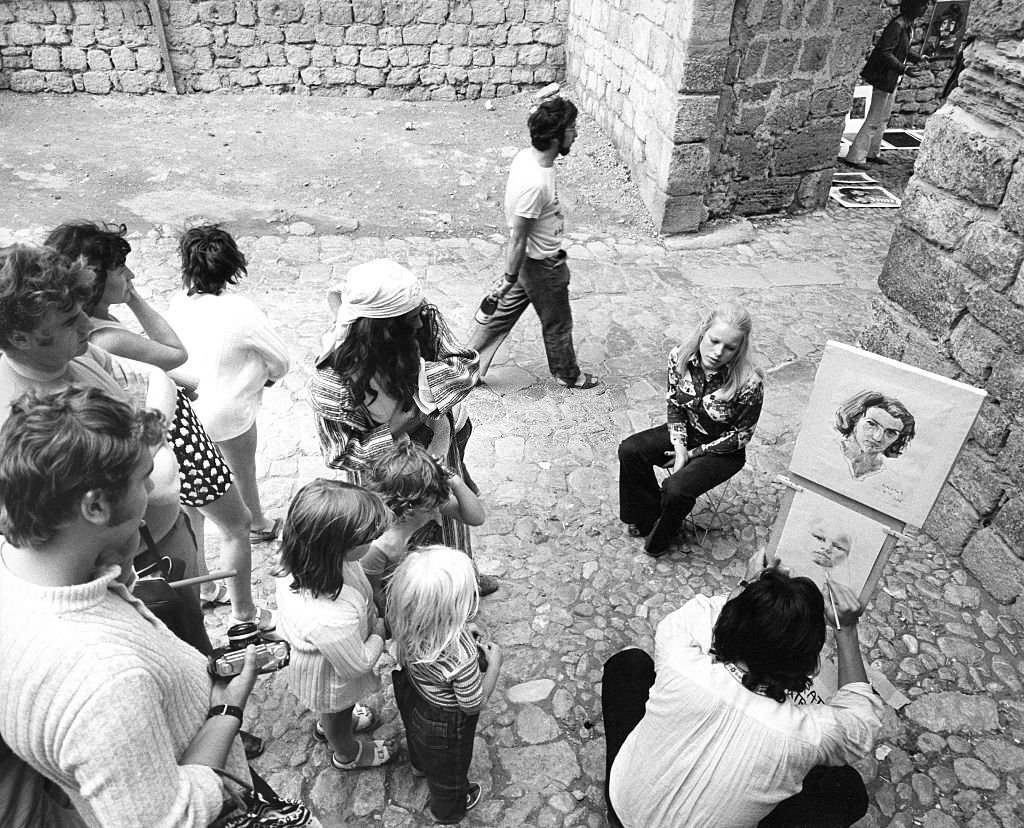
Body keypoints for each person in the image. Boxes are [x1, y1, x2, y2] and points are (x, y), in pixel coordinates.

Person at [0, 386, 259, 827]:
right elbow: (169, 820)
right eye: (144, 479)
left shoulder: (26, 571)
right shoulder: (102, 680)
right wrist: (226, 711)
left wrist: (110, 570)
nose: (153, 490)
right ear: (95, 506)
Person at [44, 221, 269, 629]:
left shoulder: (92, 331)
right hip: (178, 439)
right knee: (236, 526)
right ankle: (245, 615)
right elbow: (174, 352)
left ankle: (206, 589)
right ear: (96, 276)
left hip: (171, 443)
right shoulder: (104, 336)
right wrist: (134, 300)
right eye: (121, 271)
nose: (129, 276)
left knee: (195, 520)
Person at [0, 244, 214, 654]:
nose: (86, 324)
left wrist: (154, 437)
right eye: (67, 320)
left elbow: (151, 375)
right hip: (114, 579)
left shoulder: (78, 355)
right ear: (19, 336)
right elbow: (28, 534)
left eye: (82, 309)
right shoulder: (11, 418)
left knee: (192, 638)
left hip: (157, 541)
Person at [602, 554, 882, 828]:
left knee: (629, 662)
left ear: (731, 626)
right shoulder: (807, 736)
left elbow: (698, 615)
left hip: (623, 808)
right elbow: (862, 719)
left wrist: (748, 584)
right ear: (808, 665)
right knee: (848, 790)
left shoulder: (680, 664)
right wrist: (846, 629)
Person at [309, 258, 497, 595]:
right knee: (393, 542)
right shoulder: (333, 382)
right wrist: (397, 427)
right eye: (411, 321)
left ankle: (462, 579)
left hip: (438, 447)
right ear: (382, 330)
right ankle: (410, 596)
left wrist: (422, 394)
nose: (421, 322)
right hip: (384, 475)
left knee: (451, 522)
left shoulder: (423, 320)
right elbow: (340, 455)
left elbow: (466, 367)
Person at [167, 224, 291, 547]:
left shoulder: (177, 303)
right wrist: (268, 378)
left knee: (192, 494)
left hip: (189, 412)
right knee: (243, 472)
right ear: (231, 268)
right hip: (231, 413)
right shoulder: (241, 311)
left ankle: (200, 570)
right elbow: (281, 360)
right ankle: (258, 523)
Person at [465, 95, 599, 389]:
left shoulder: (526, 157)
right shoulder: (535, 185)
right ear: (555, 136)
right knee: (558, 323)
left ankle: (462, 370)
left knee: (499, 317)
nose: (576, 134)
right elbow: (518, 236)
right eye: (571, 129)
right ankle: (567, 374)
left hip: (529, 264)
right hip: (541, 266)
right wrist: (508, 277)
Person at [618, 303, 764, 557]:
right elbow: (675, 403)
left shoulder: (749, 382)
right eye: (714, 341)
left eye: (730, 347)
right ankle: (647, 514)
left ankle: (662, 536)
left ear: (740, 348)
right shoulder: (680, 356)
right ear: (702, 333)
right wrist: (680, 446)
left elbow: (741, 435)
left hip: (723, 450)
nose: (719, 352)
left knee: (676, 489)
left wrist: (693, 453)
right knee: (630, 450)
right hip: (687, 431)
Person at [273, 479, 396, 770]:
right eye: (368, 538)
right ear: (339, 548)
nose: (375, 540)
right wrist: (378, 632)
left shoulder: (301, 556)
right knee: (337, 710)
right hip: (331, 673)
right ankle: (347, 751)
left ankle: (332, 723)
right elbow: (356, 664)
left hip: (332, 653)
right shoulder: (328, 617)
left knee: (335, 712)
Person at [387, 545, 503, 825]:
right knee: (449, 769)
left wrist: (461, 630)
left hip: (414, 694)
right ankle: (448, 810)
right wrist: (495, 664)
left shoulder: (405, 622)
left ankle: (419, 765)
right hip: (447, 720)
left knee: (417, 735)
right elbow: (473, 704)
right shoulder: (461, 659)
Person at [363, 441, 485, 616]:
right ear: (410, 509)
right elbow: (375, 593)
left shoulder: (426, 502)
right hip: (406, 610)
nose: (437, 509)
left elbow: (476, 518)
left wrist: (454, 480)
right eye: (431, 508)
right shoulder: (377, 548)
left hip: (434, 595)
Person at [844, 0, 929, 169]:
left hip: (892, 77)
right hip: (884, 77)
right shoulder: (897, 25)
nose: (925, 9)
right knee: (874, 117)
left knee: (883, 118)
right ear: (913, 7)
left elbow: (901, 49)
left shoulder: (907, 24)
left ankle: (872, 152)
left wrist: (918, 58)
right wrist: (903, 68)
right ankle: (856, 156)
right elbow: (885, 52)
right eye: (922, 5)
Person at [834, 390, 915, 481]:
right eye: (871, 424)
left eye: (891, 433)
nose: (877, 437)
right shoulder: (829, 447)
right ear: (855, 418)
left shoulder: (890, 475)